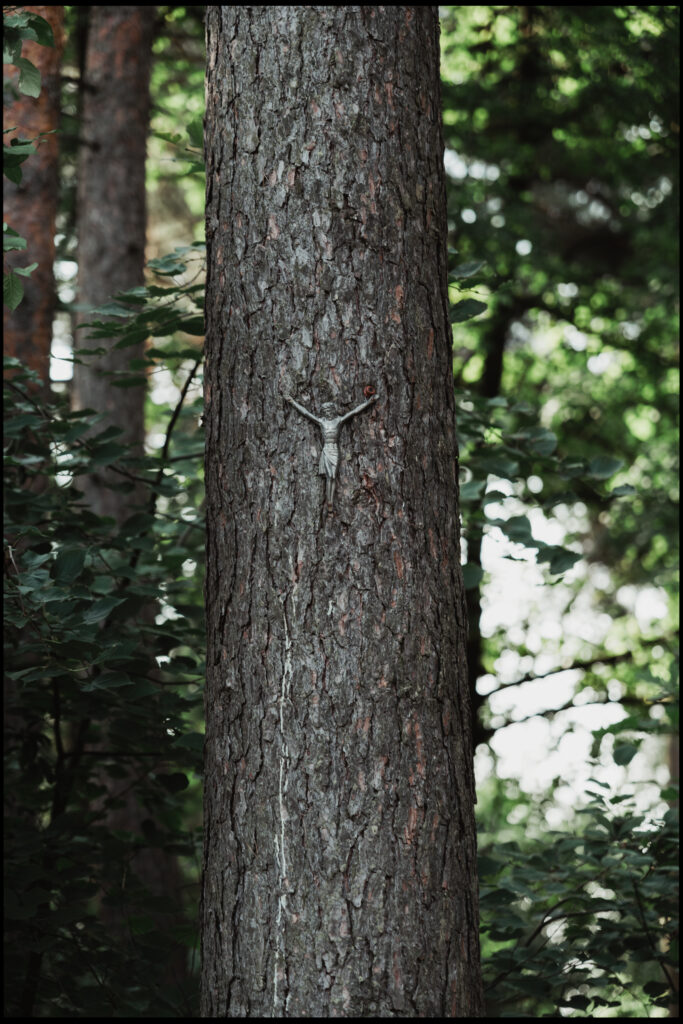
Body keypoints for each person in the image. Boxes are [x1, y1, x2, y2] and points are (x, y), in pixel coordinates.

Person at [285, 392, 378, 511]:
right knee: (329, 477)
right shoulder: (321, 422)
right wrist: (292, 402)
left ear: (333, 411)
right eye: (326, 411)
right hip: (327, 449)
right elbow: (306, 413)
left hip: (335, 449)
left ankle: (330, 498)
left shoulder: (338, 420)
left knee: (333, 476)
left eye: (330, 410)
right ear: (324, 412)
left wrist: (368, 402)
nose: (328, 413)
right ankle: (329, 501)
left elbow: (354, 411)